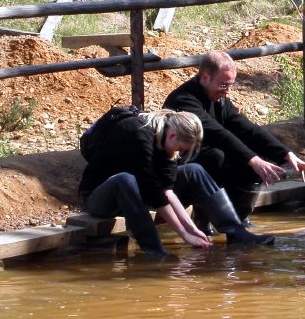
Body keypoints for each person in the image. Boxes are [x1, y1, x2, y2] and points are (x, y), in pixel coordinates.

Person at [78, 108, 275, 258]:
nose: (180, 153)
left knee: (194, 170)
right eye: (180, 148)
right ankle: (154, 250)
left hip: (138, 195)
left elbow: (168, 190)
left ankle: (237, 232)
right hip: (102, 199)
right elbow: (155, 192)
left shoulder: (166, 139)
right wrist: (183, 235)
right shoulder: (137, 133)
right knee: (125, 179)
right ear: (173, 135)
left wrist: (193, 230)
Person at [163, 51, 305, 226]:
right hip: (176, 174)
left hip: (212, 165)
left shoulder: (219, 100)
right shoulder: (184, 100)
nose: (227, 91)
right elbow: (218, 134)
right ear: (205, 78)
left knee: (257, 159)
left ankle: (239, 218)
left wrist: (286, 154)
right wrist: (253, 160)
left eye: (230, 85)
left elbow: (247, 128)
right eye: (223, 85)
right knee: (217, 156)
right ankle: (203, 217)